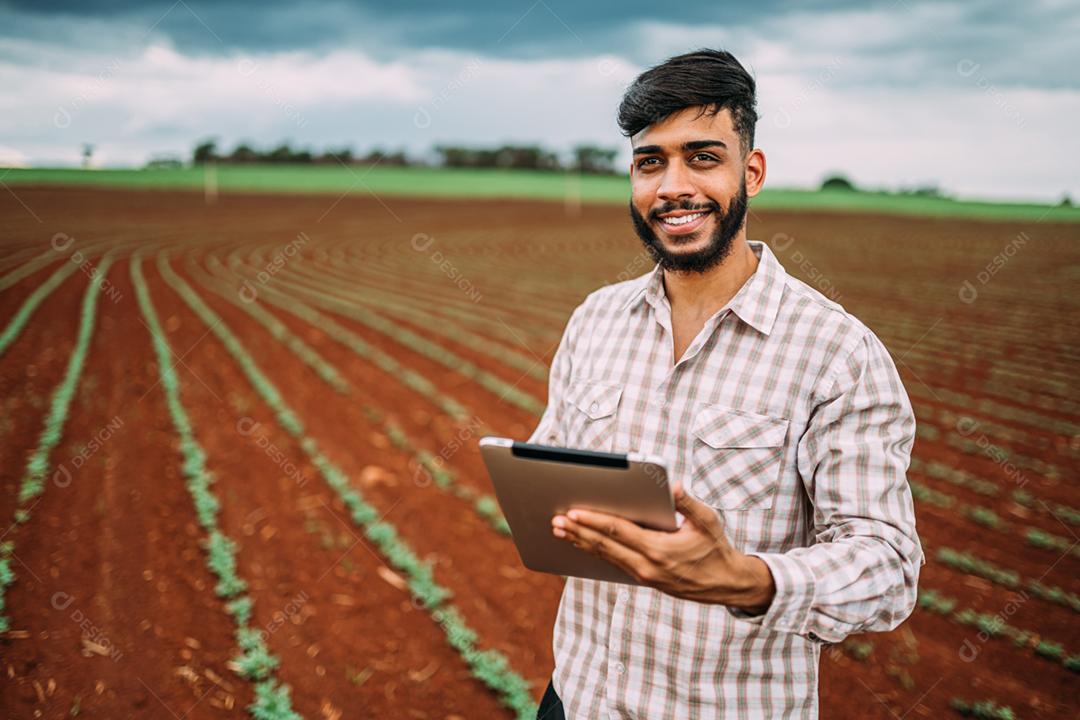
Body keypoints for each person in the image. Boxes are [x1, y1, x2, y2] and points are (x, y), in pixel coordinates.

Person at [529, 48, 924, 719]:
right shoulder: (595, 319)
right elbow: (552, 463)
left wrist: (743, 578)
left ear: (753, 171)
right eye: (651, 162)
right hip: (578, 697)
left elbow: (888, 565)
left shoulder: (836, 352)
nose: (672, 186)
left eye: (702, 157)